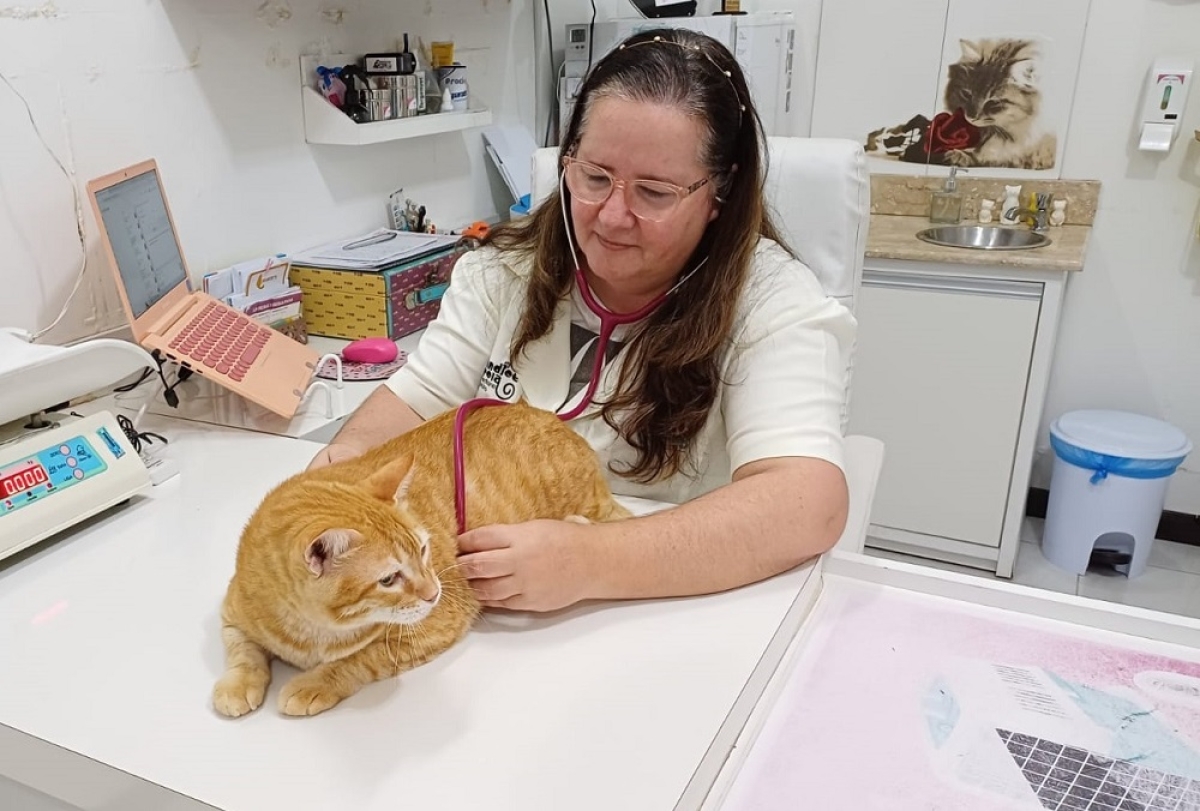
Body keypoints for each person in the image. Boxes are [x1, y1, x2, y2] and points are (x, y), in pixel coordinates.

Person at [308, 28, 857, 612]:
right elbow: (411, 404)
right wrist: (331, 491)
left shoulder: (770, 299)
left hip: (676, 609)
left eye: (655, 192)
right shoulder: (504, 270)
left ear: (718, 194)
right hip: (493, 610)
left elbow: (806, 502)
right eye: (594, 178)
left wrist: (590, 561)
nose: (614, 217)